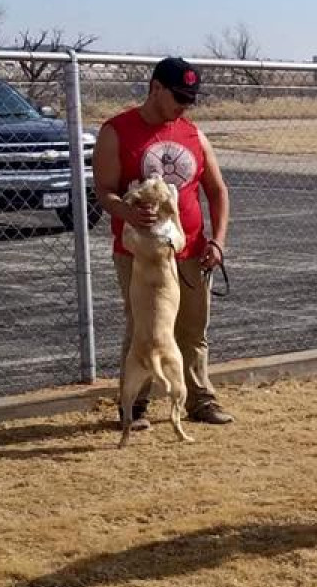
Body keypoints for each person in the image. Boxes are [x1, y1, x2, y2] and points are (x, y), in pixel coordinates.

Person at [92, 56, 234, 430]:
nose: (184, 106)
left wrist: (217, 242)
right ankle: (133, 406)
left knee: (193, 328)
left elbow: (218, 192)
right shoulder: (117, 131)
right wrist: (125, 210)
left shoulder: (194, 134)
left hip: (190, 251)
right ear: (156, 88)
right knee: (143, 325)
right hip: (140, 254)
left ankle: (200, 399)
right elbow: (104, 191)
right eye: (179, 97)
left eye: (190, 99)